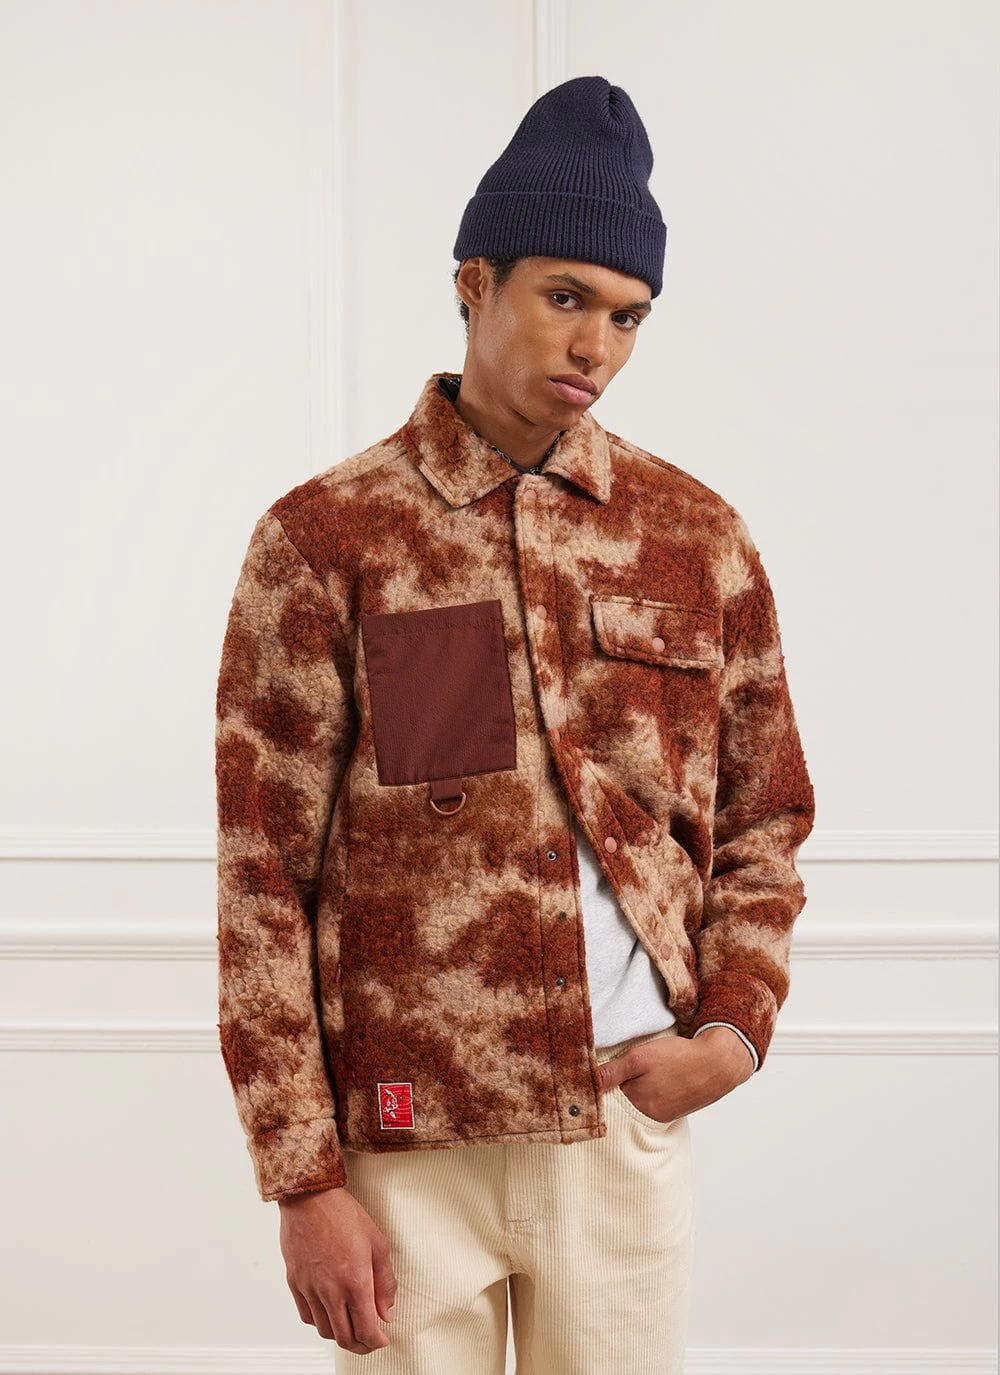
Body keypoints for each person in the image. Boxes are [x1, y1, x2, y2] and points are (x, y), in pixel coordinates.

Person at [214, 74, 815, 1374]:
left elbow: (766, 812)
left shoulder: (695, 537)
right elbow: (263, 876)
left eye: (628, 316)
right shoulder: (327, 540)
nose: (597, 346)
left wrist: (732, 1031)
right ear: (473, 282)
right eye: (565, 298)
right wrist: (302, 1177)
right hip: (405, 1146)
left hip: (620, 1122)